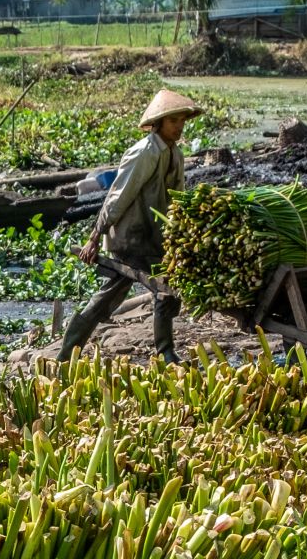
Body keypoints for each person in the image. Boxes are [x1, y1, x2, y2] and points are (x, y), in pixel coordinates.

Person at [54, 89, 200, 365]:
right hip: (131, 238)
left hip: (155, 237)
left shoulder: (175, 154)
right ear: (159, 124)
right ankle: (66, 353)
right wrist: (95, 235)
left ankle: (165, 351)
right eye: (174, 122)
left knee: (165, 291)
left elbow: (178, 199)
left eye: (182, 121)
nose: (179, 127)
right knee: (110, 298)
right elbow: (118, 196)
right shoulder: (144, 152)